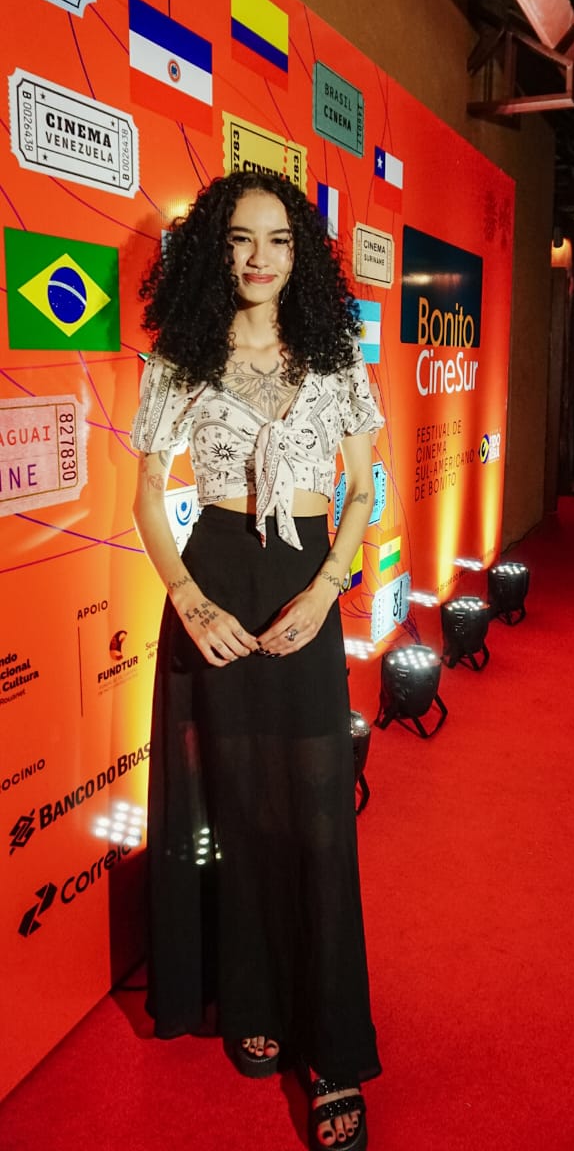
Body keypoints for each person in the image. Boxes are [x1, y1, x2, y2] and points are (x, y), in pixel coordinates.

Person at [131, 170, 382, 1150]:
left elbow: (366, 491)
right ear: (214, 250)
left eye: (278, 240)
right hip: (217, 578)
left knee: (317, 817)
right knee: (230, 806)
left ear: (301, 255)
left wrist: (325, 590)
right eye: (241, 239)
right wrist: (188, 597)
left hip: (306, 578)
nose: (260, 258)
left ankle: (334, 1046)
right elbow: (151, 495)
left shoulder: (334, 358)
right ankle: (247, 995)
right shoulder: (178, 361)